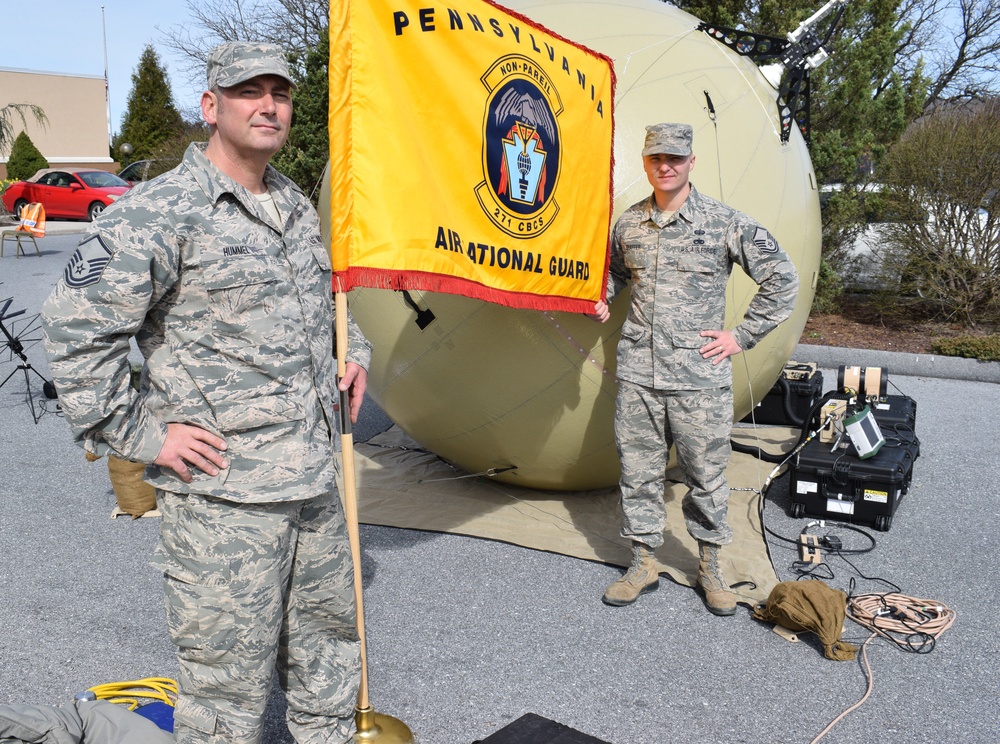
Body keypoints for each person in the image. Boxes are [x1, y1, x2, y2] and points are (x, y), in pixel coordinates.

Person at [41, 41, 370, 743]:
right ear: (211, 107)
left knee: (327, 661)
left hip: (313, 483)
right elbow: (72, 334)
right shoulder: (157, 211)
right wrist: (146, 437)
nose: (269, 105)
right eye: (248, 92)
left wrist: (354, 352)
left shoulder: (293, 205)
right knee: (225, 698)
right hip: (226, 502)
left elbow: (323, 305)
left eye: (279, 93)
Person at [589, 122, 798, 615]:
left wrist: (740, 337)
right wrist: (605, 297)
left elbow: (782, 279)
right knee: (638, 473)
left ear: (690, 163)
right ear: (645, 163)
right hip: (640, 373)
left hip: (698, 381)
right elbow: (618, 274)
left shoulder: (726, 223)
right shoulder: (629, 224)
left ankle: (710, 567)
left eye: (675, 159)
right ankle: (642, 562)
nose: (666, 166)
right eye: (656, 158)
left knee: (706, 476)